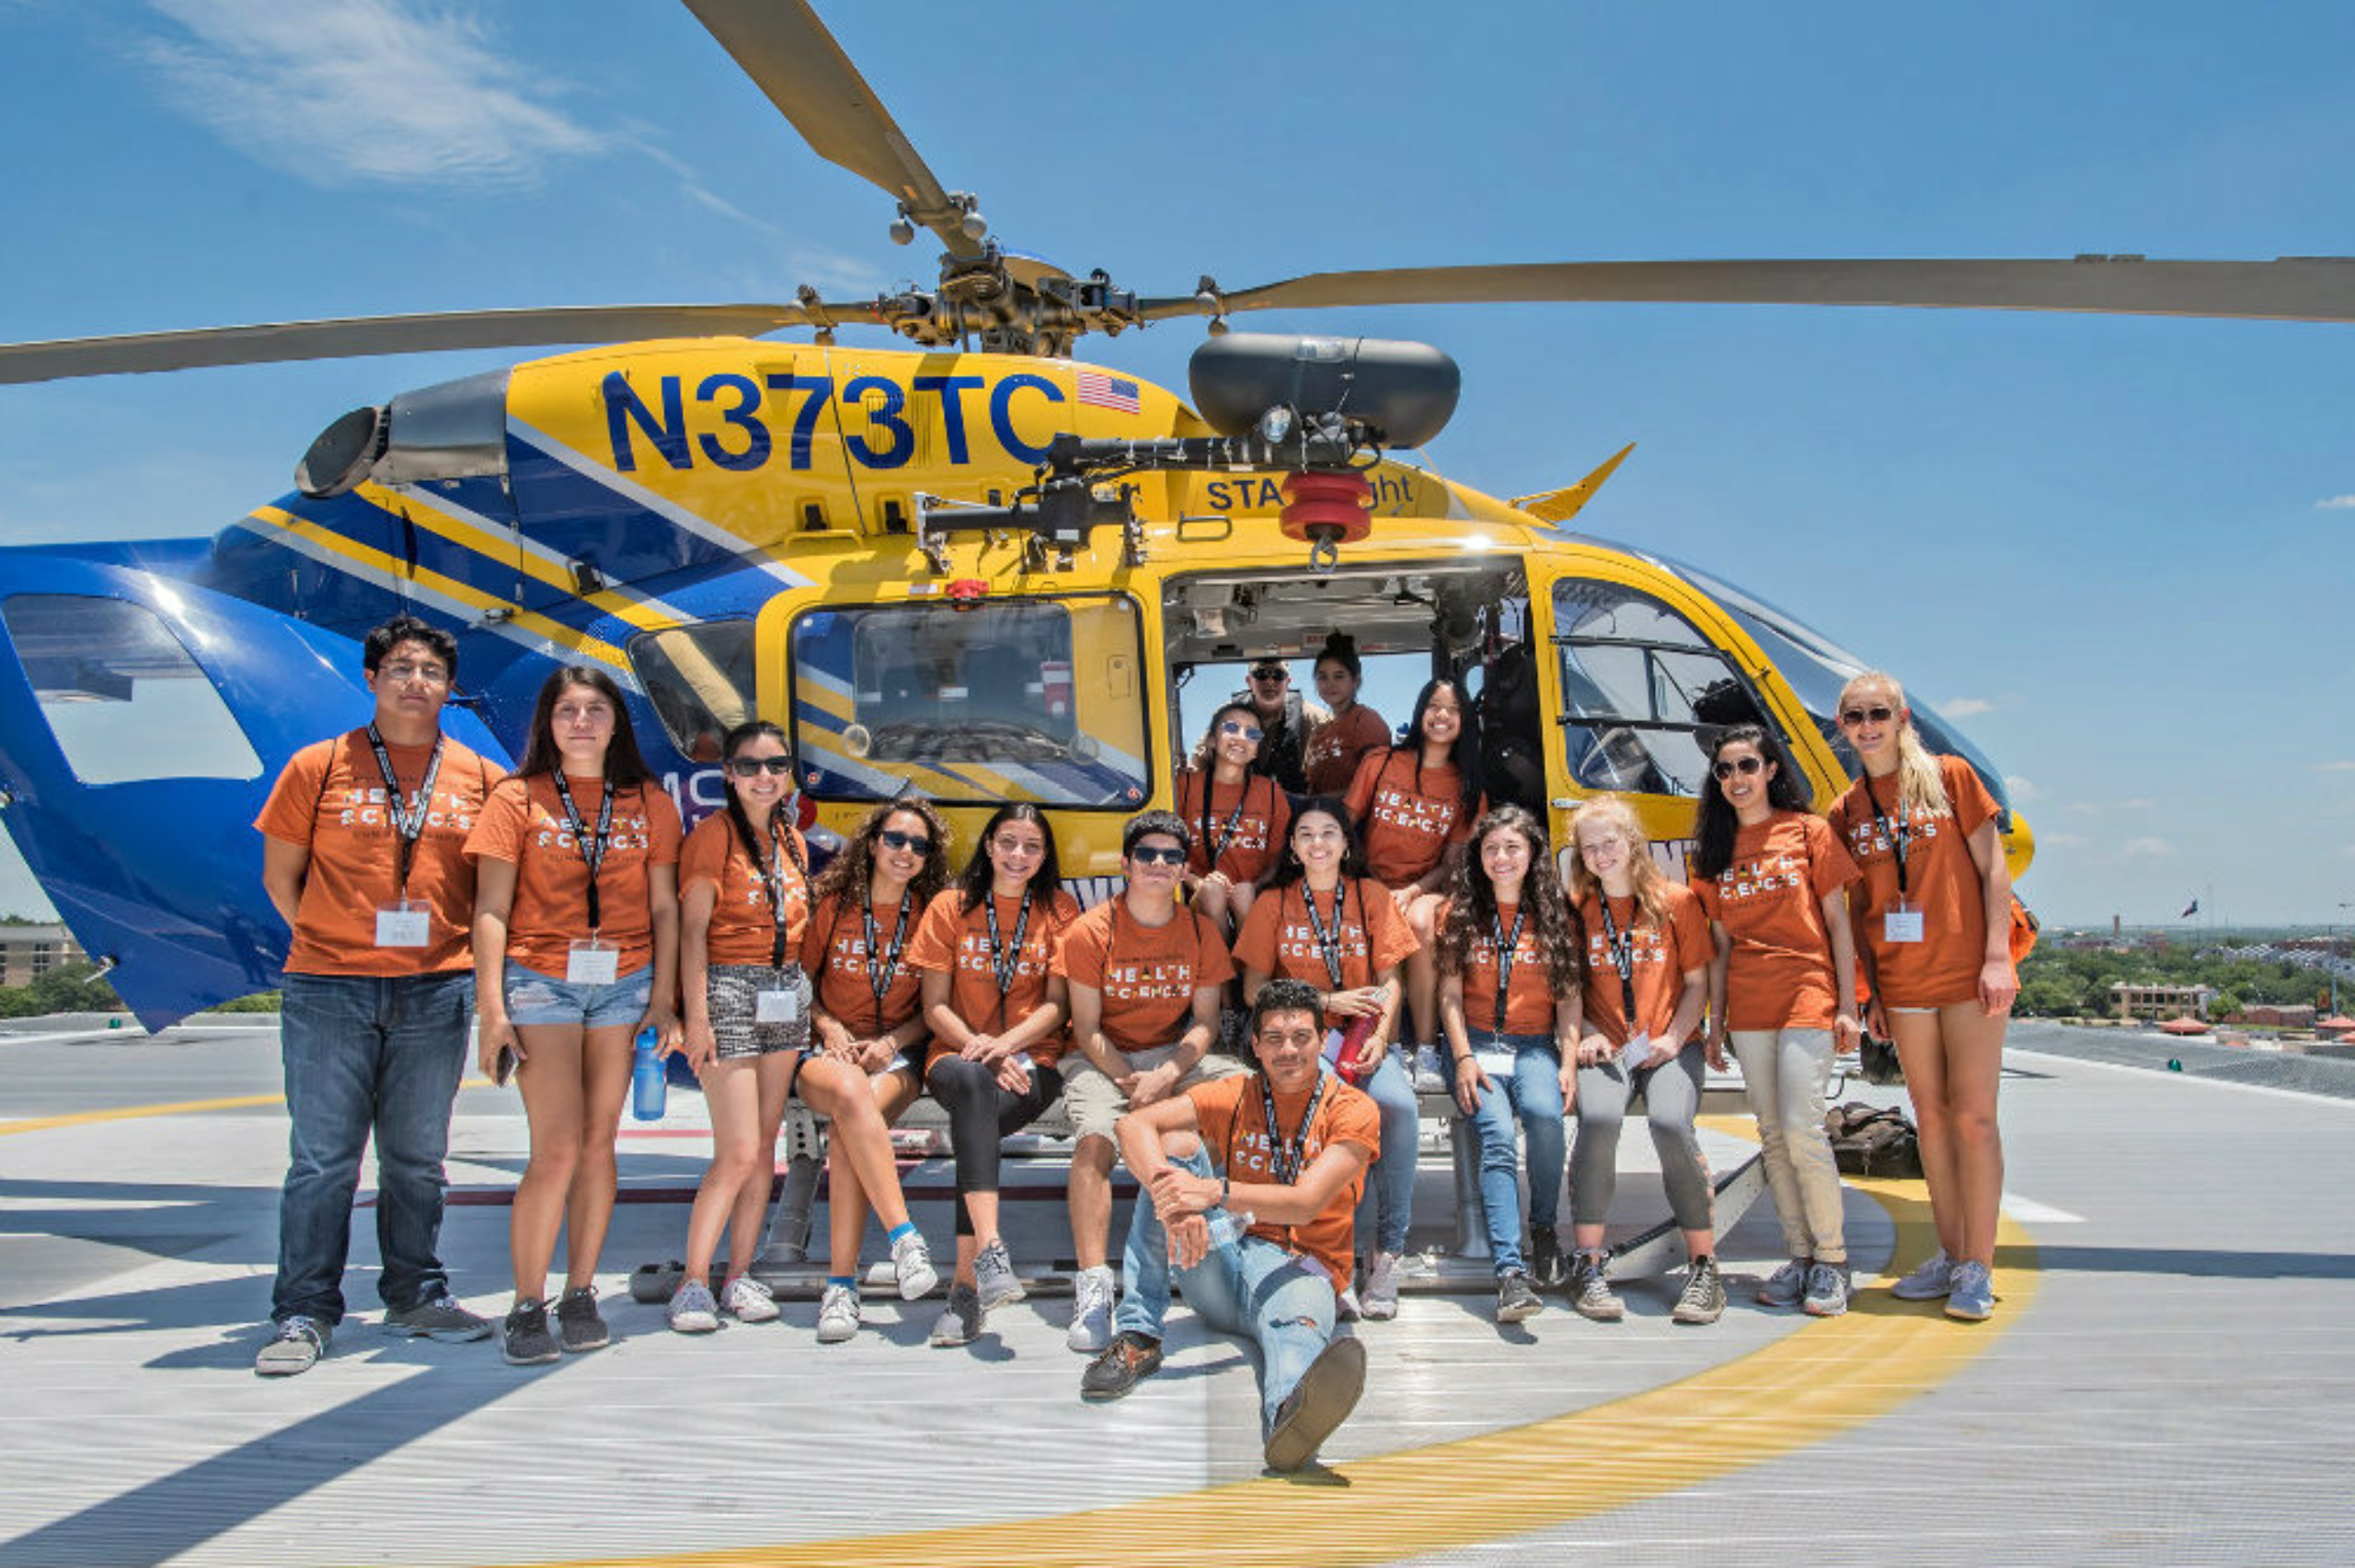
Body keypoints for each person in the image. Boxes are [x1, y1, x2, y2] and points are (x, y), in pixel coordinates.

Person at [251, 614, 503, 1376]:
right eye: (400, 668)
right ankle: (303, 1309)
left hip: (436, 990)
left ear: (449, 687)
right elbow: (279, 878)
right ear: (371, 679)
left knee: (418, 1159)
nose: (415, 681)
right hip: (330, 988)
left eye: (429, 671)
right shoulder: (317, 767)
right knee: (323, 1160)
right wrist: (337, 943)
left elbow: (492, 889)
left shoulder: (481, 777)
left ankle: (416, 1293)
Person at [665, 724, 936, 1335]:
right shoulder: (711, 838)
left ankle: (737, 1275)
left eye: (776, 765)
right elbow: (690, 932)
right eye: (751, 765)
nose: (765, 776)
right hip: (729, 992)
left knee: (761, 1151)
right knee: (734, 1153)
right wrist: (695, 1015)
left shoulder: (788, 839)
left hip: (785, 994)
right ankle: (691, 1282)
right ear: (729, 775)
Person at [466, 666, 683, 1365]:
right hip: (541, 983)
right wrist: (492, 1010)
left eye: (596, 709)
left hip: (626, 984)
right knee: (555, 1147)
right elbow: (491, 909)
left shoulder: (648, 801)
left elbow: (663, 908)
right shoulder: (515, 798)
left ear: (617, 721)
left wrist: (664, 996)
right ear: (547, 722)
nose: (582, 722)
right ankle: (528, 1301)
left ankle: (581, 1289)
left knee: (598, 1144)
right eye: (568, 710)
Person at [1081, 979, 1376, 1474]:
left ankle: (1289, 1418)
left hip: (1302, 1268)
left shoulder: (1351, 1109)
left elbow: (1305, 1204)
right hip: (1222, 1258)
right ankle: (1138, 1335)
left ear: (1323, 1041)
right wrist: (1172, 1199)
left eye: (1302, 1038)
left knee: (1297, 1334)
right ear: (1255, 1046)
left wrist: (1213, 1193)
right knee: (1173, 1153)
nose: (1288, 1051)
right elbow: (1132, 1126)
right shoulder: (1236, 1091)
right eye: (1275, 1039)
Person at [1824, 673, 2016, 1322]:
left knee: (1974, 1117)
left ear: (1902, 717)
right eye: (1855, 716)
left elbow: (1995, 869)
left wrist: (1996, 957)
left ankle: (1980, 1266)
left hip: (1967, 976)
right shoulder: (1847, 810)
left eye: (1879, 712)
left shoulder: (1950, 778)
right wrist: (1871, 989)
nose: (1868, 725)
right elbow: (1859, 908)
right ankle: (1953, 1251)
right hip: (1903, 985)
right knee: (1930, 1119)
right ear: (1842, 724)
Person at [1052, 808, 1245, 1353]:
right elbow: (1087, 1030)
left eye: (1171, 856)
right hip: (1103, 1058)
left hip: (1171, 1056)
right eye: (1146, 854)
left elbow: (1205, 1022)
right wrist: (1133, 1079)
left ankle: (1233, 1247)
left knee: (1246, 1100)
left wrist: (1168, 1072)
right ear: (1126, 863)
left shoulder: (1199, 930)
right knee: (1095, 1142)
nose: (1158, 864)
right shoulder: (1090, 931)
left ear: (1185, 869)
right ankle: (1093, 1287)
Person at [1691, 727, 1863, 1322]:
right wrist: (1715, 1024)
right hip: (1749, 1004)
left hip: (1807, 992)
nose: (1736, 778)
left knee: (1802, 1126)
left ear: (1769, 769)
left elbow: (1840, 922)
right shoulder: (1712, 851)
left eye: (1746, 765)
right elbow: (1718, 947)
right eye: (1725, 770)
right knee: (1771, 1132)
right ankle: (1799, 1255)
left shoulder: (1809, 832)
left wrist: (1848, 1002)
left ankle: (1834, 1258)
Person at [1230, 798, 1420, 1320]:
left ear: (1345, 843)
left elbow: (1390, 982)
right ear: (1292, 847)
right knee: (1323, 1122)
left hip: (1364, 1040)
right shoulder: (1274, 902)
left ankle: (1388, 1251)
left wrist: (1381, 1036)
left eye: (1329, 833)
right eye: (1306, 834)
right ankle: (1329, 1261)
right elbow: (1252, 990)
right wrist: (1324, 1002)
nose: (1318, 843)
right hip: (1303, 1043)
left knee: (1398, 1109)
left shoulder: (1371, 896)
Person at [906, 803, 1083, 1345]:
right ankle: (987, 1252)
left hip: (1034, 1060)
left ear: (1044, 854)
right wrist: (982, 1049)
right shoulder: (949, 906)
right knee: (974, 1091)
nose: (1018, 855)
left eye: (1031, 846)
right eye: (1008, 843)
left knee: (974, 1127)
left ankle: (966, 1290)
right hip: (957, 1056)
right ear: (988, 846)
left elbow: (1057, 1005)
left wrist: (1007, 1047)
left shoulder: (1058, 908)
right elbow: (934, 1005)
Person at [1562, 795, 1717, 1322]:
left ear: (1632, 842)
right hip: (1607, 1043)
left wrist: (1675, 1037)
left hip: (1669, 1043)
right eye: (1590, 847)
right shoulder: (1579, 910)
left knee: (1671, 1124)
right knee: (1600, 1119)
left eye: (1610, 842)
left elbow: (1698, 984)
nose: (1602, 854)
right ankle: (1588, 1261)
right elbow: (1572, 989)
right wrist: (1585, 1033)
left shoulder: (1676, 902)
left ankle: (1703, 1266)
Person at [801, 797, 950, 1342]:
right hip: (830, 1055)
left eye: (919, 845)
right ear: (871, 843)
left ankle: (841, 1286)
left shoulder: (933, 914)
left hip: (900, 1057)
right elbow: (801, 985)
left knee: (848, 1132)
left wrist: (891, 1042)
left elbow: (931, 1007)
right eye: (895, 839)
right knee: (846, 1093)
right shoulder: (833, 904)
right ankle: (903, 1236)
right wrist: (829, 1028)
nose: (906, 852)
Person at [1435, 805, 1583, 1320]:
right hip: (1477, 1043)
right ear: (1478, 856)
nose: (1501, 857)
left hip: (1534, 1045)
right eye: (1491, 848)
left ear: (1532, 854)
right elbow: (1449, 996)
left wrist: (1566, 1063)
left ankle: (1542, 1229)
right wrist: (1462, 1057)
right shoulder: (1461, 911)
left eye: (1512, 848)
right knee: (1496, 1135)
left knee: (1545, 1116)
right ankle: (1509, 1272)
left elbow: (1568, 999)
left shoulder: (1555, 913)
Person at [1346, 676, 1484, 1093]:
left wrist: (1412, 891)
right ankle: (1378, 1043)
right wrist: (1368, 882)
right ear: (1420, 711)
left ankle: (1425, 1046)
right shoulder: (1381, 762)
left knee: (1424, 922)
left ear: (1465, 720)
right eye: (1434, 706)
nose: (1442, 716)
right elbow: (1344, 828)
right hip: (1369, 881)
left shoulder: (1467, 786)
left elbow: (1452, 864)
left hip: (1425, 887)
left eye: (1454, 710)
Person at [1173, 702, 1291, 934]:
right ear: (1212, 740)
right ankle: (1223, 967)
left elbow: (1279, 860)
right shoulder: (1184, 787)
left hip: (1252, 897)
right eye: (1232, 728)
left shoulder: (1271, 792)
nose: (1241, 737)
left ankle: (1249, 967)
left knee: (1244, 894)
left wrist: (1255, 887)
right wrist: (1197, 883)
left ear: (1257, 748)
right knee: (1213, 891)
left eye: (1252, 733)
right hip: (1198, 895)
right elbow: (1167, 851)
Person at [1303, 632, 1390, 797]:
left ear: (1355, 681)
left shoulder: (1366, 720)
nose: (1330, 684)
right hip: (1320, 818)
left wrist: (1324, 801)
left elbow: (1375, 783)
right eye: (1322, 677)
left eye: (1339, 676)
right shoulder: (1318, 732)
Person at [1236, 658, 1328, 795]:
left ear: (1287, 682)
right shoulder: (1227, 718)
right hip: (1241, 808)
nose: (1269, 682)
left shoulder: (1315, 718)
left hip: (1295, 809)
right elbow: (1200, 764)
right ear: (1249, 681)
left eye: (1278, 675)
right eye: (1261, 675)